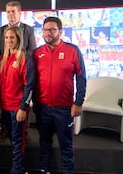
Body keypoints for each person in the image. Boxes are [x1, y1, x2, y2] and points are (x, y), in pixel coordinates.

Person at [32, 17, 86, 174]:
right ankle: (45, 170)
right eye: (45, 30)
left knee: (66, 145)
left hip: (64, 108)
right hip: (42, 108)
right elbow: (32, 80)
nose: (48, 33)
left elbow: (81, 77)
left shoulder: (73, 50)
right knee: (44, 143)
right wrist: (34, 102)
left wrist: (78, 102)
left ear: (60, 32)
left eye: (52, 29)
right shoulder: (37, 53)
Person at [0, 1, 36, 142]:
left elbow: (32, 50)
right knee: (4, 104)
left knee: (20, 107)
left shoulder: (28, 29)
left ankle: (24, 131)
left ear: (19, 13)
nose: (10, 14)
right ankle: (4, 129)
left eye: (13, 11)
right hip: (6, 68)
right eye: (8, 12)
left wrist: (19, 60)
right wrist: (6, 61)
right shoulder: (1, 30)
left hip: (21, 68)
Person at [0, 26, 35, 174]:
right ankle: (18, 166)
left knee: (18, 140)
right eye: (6, 38)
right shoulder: (3, 59)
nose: (9, 40)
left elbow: (29, 85)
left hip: (17, 108)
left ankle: (18, 169)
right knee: (12, 140)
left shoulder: (25, 58)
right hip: (5, 107)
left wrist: (23, 107)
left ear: (18, 39)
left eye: (12, 37)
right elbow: (0, 82)